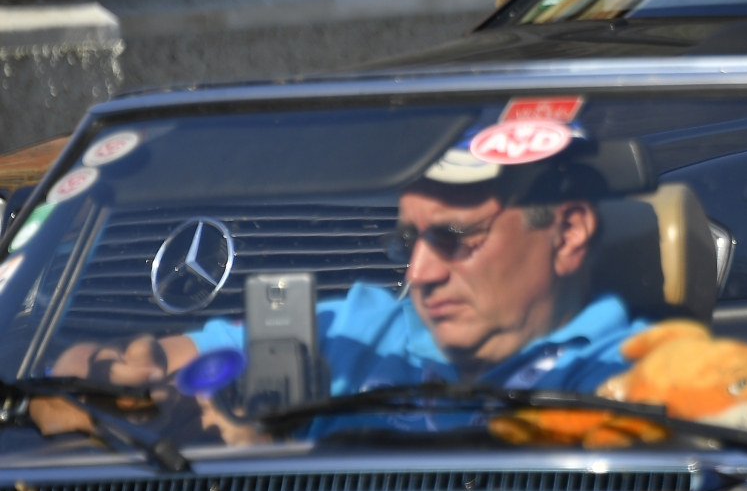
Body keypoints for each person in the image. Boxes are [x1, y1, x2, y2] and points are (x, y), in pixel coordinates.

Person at [39, 143, 647, 419]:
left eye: (456, 237)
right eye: (408, 242)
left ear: (568, 233)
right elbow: (63, 378)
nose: (419, 274)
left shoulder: (636, 372)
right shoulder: (356, 329)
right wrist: (113, 379)